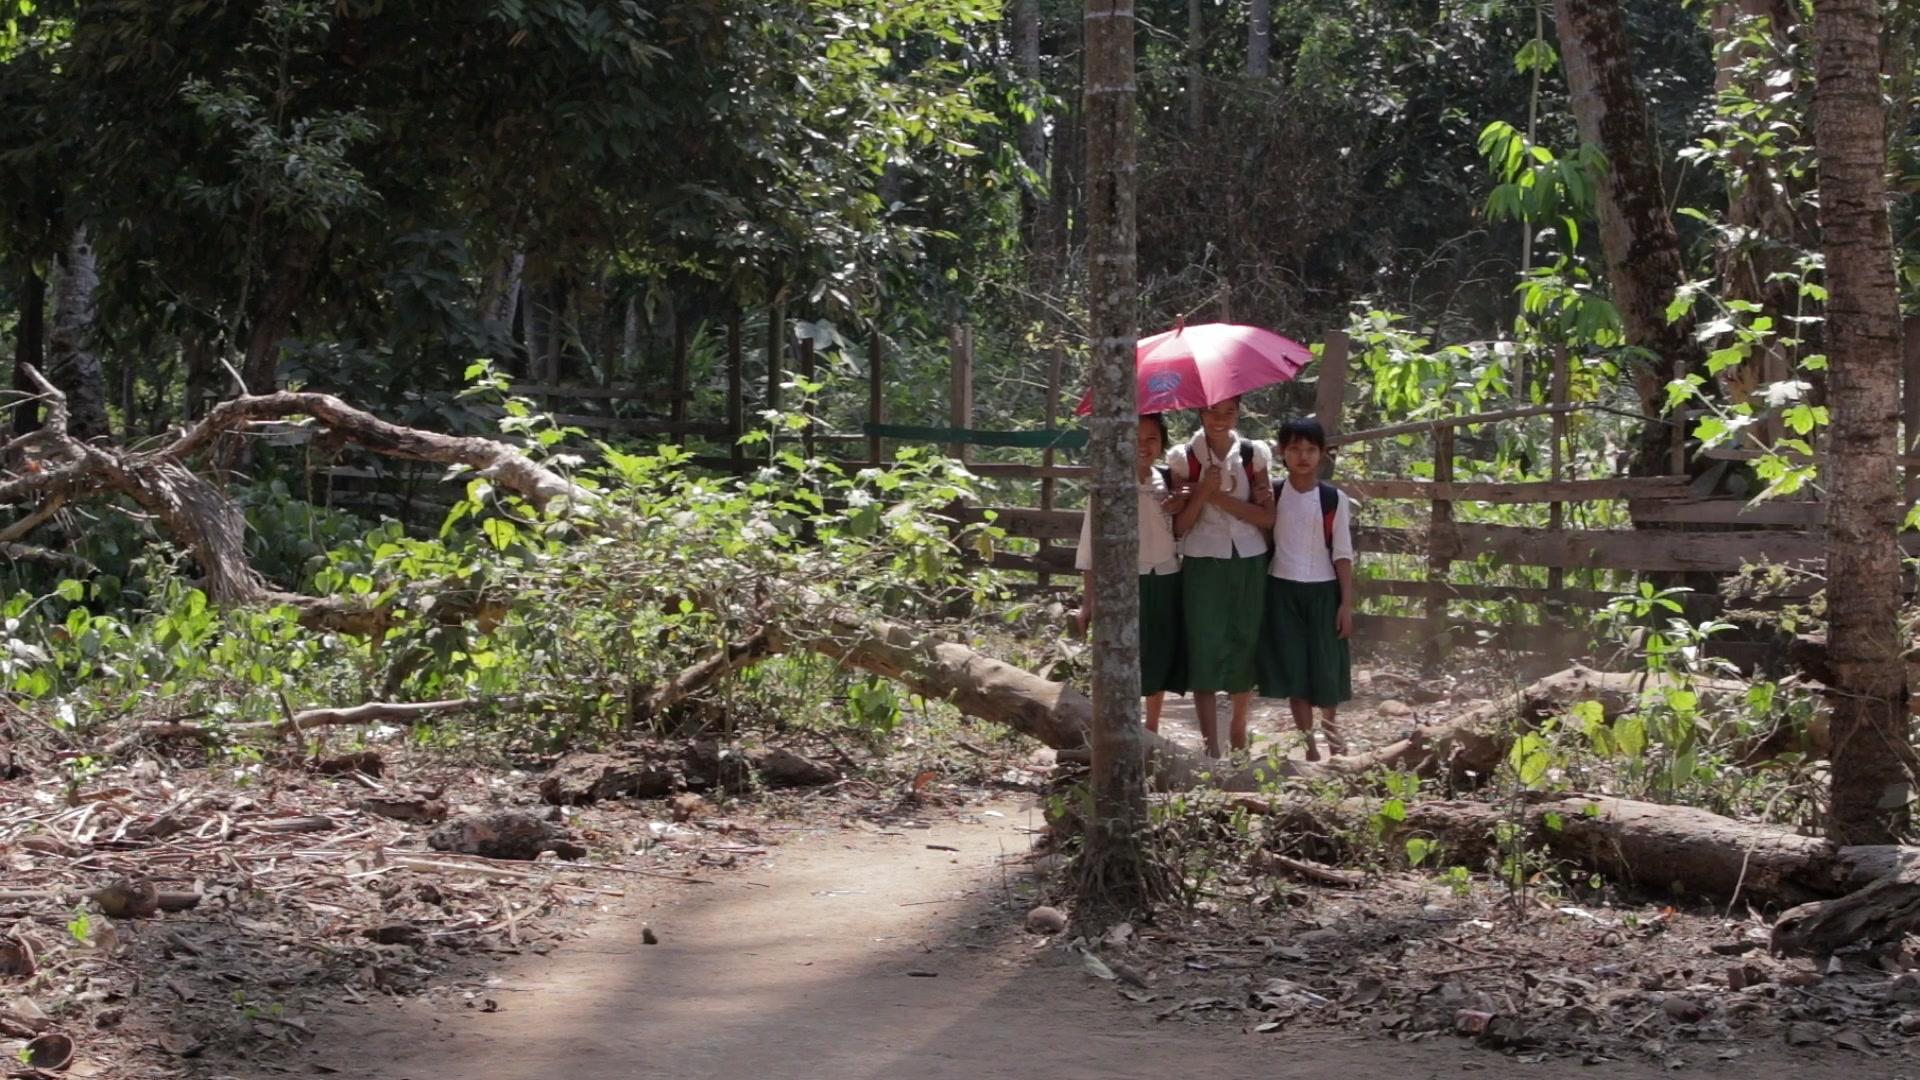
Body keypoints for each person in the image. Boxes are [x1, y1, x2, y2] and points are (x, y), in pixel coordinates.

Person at [1168, 396, 1273, 758]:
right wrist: (1203, 492)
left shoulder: (1252, 454)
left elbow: (1267, 518)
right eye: (1213, 410)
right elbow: (1180, 526)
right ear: (1199, 411)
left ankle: (1239, 734)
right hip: (1201, 559)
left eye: (1229, 411)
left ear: (1239, 413)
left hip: (1249, 557)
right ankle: (1211, 745)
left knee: (1245, 640)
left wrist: (1222, 499)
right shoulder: (1184, 458)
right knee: (1204, 645)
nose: (1220, 419)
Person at [1075, 414, 1189, 729]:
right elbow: (1089, 545)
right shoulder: (1108, 485)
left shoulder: (1167, 480)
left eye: (1152, 438)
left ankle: (1151, 726)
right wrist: (1089, 601)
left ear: (1163, 443)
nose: (1143, 445)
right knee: (1126, 653)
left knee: (1160, 651)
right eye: (1136, 438)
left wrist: (1183, 503)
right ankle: (1123, 725)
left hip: (1167, 578)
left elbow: (1184, 530)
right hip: (1126, 581)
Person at [1252, 416, 1355, 761]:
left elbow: (1342, 553)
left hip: (1324, 591)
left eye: (1310, 449)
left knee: (1326, 667)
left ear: (1322, 454)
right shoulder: (1272, 495)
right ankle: (1309, 746)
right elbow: (1262, 536)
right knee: (1294, 668)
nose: (1302, 456)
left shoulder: (1332, 499)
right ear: (1281, 452)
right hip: (1281, 589)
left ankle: (1332, 736)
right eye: (1294, 448)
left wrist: (1346, 604)